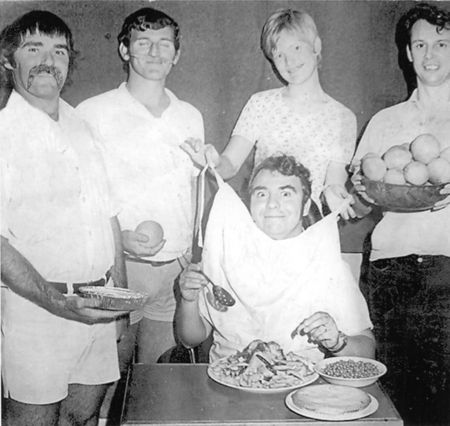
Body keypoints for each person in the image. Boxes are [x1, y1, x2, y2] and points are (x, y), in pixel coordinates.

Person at [0, 10, 127, 426]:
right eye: (33, 48)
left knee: (84, 419)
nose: (47, 60)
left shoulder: (82, 126)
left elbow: (109, 218)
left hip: (98, 308)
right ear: (7, 60)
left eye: (59, 50)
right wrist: (58, 303)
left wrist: (121, 304)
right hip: (38, 314)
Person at [76, 7, 204, 363]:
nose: (154, 52)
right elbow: (80, 196)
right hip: (119, 269)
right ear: (124, 50)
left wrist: (192, 256)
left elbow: (194, 191)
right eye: (143, 42)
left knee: (155, 385)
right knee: (104, 382)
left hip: (173, 273)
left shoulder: (189, 115)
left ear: (176, 54)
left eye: (164, 44)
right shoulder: (92, 112)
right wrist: (119, 236)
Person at [177, 154, 375, 363]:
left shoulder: (327, 264)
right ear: (249, 205)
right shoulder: (225, 256)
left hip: (299, 384)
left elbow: (367, 351)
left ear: (306, 205)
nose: (272, 204)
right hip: (229, 379)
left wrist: (337, 341)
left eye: (286, 194)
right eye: (262, 194)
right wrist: (188, 300)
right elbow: (190, 338)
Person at [352, 3, 450, 424]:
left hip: (447, 267)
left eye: (443, 44)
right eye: (421, 44)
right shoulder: (385, 121)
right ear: (408, 53)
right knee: (395, 396)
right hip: (391, 269)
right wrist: (357, 190)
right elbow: (359, 205)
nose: (431, 55)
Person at [182, 8, 357, 219]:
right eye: (279, 54)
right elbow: (230, 164)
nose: (289, 61)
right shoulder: (260, 103)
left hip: (309, 227)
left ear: (316, 46)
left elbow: (334, 181)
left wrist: (335, 192)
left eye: (296, 47)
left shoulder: (343, 117)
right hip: (263, 221)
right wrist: (212, 163)